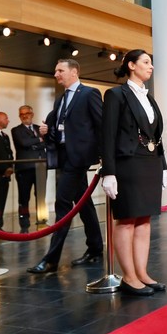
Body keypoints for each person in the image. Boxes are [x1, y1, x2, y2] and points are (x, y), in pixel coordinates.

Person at [101, 50, 167, 297]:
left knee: (144, 220)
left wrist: (163, 167)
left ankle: (142, 273)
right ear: (131, 65)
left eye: (151, 62)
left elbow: (157, 135)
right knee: (127, 219)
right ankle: (128, 277)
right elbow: (107, 135)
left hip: (149, 163)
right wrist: (109, 172)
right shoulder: (116, 95)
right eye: (146, 62)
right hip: (127, 164)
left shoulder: (149, 98)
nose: (151, 67)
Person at [28, 59, 104, 274]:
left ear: (74, 72)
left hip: (78, 160)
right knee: (84, 204)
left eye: (60, 70)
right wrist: (46, 131)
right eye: (55, 71)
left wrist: (104, 157)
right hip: (64, 158)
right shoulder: (60, 100)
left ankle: (51, 259)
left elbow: (101, 125)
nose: (56, 74)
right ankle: (96, 249)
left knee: (62, 204)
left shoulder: (90, 93)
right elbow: (59, 129)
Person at [11, 105, 47, 234]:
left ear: (32, 114)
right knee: (24, 196)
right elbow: (23, 143)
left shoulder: (39, 128)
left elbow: (46, 143)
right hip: (25, 168)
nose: (25, 115)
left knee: (41, 194)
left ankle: (42, 217)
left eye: (27, 113)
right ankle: (24, 219)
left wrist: (35, 143)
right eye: (22, 114)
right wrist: (39, 140)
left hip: (41, 167)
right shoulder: (16, 130)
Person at [0, 111, 14, 231]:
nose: (8, 121)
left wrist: (10, 167)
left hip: (5, 175)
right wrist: (4, 168)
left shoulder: (5, 136)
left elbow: (9, 153)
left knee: (2, 200)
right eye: (6, 118)